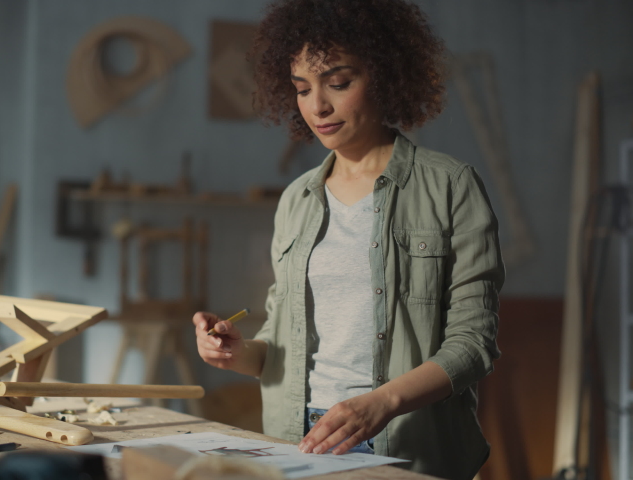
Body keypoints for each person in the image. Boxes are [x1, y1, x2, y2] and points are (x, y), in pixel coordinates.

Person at [192, 1, 504, 479]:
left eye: (338, 83)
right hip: (302, 437)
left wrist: (381, 403)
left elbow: (473, 343)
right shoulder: (296, 199)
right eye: (302, 89)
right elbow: (281, 342)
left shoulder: (451, 186)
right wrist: (237, 353)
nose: (318, 106)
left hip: (406, 438)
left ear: (383, 74)